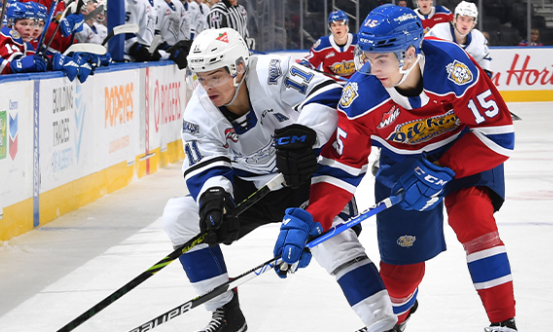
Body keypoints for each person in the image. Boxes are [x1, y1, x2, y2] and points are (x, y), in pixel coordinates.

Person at [273, 5, 518, 332]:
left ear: (409, 53)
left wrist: (442, 167)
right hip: (402, 162)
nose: (371, 68)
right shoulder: (360, 98)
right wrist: (312, 216)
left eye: (381, 59)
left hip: (464, 150)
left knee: (473, 219)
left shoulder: (453, 66)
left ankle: (504, 323)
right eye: (368, 56)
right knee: (401, 274)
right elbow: (342, 167)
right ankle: (395, 322)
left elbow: (498, 135)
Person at [161, 27, 397, 332]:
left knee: (335, 239)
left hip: (303, 179)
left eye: (215, 76)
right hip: (251, 190)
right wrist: (213, 197)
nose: (207, 87)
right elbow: (205, 164)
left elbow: (327, 92)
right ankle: (226, 313)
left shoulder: (272, 72)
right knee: (179, 217)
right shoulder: (199, 111)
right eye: (201, 77)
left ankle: (383, 324)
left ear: (239, 68)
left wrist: (307, 137)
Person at [427, 1, 492, 78]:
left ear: (474, 23)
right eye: (462, 19)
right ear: (455, 19)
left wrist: (485, 72)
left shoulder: (478, 38)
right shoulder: (438, 32)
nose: (465, 24)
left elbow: (483, 58)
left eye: (469, 20)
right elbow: (424, 51)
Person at [300, 10, 358, 82]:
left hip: (355, 84)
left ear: (346, 25)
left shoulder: (358, 42)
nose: (337, 28)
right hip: (331, 85)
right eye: (334, 25)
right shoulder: (323, 44)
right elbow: (310, 62)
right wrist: (304, 65)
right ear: (331, 28)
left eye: (340, 24)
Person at [154, 0, 190, 69]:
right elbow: (155, 34)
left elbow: (183, 28)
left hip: (171, 48)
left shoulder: (178, 4)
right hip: (160, 51)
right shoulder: (159, 5)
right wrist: (168, 48)